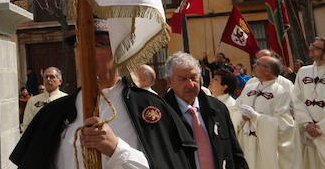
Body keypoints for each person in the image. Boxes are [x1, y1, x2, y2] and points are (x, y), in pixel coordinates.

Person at [10, 19, 195, 169]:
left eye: (98, 45)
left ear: (119, 52)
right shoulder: (54, 112)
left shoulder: (149, 107)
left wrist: (116, 149)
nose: (85, 52)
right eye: (78, 45)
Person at [162, 52, 248, 169]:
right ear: (169, 81)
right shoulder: (162, 115)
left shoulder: (218, 109)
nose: (190, 85)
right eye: (182, 79)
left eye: (193, 78)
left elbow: (235, 153)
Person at [234, 55, 294, 169]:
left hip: (266, 149)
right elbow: (235, 109)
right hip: (246, 144)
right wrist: (242, 117)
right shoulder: (248, 88)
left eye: (258, 64)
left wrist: (256, 117)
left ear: (268, 70)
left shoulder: (281, 92)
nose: (253, 65)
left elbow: (285, 125)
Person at [292, 36, 325, 168]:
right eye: (312, 45)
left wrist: (320, 127)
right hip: (307, 131)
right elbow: (297, 99)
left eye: (316, 47)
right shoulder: (303, 71)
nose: (310, 48)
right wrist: (307, 123)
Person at [19, 67, 67, 132]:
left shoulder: (66, 99)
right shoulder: (33, 101)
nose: (48, 79)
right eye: (46, 77)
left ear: (60, 81)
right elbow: (27, 125)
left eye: (52, 77)